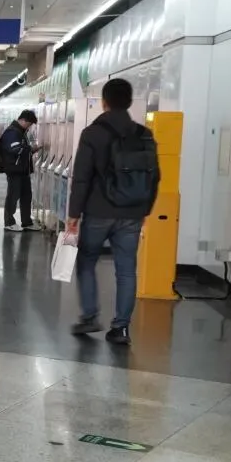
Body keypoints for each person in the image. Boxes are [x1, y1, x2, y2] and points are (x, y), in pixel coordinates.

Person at [67, 78, 159, 345]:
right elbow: (154, 177)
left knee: (86, 261)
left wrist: (74, 214)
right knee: (127, 270)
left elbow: (82, 177)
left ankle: (89, 316)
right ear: (129, 102)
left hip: (98, 211)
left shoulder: (93, 133)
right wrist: (144, 210)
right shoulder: (144, 134)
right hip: (132, 214)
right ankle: (121, 328)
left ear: (104, 102)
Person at [0, 110, 43, 231]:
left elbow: (21, 150)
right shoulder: (12, 132)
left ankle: (27, 222)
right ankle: (9, 222)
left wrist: (31, 150)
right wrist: (30, 148)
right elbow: (15, 149)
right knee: (13, 196)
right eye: (29, 124)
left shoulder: (20, 131)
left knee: (26, 196)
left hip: (23, 170)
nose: (29, 127)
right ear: (23, 120)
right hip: (15, 170)